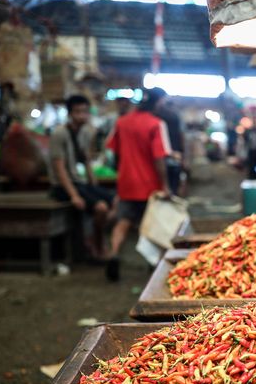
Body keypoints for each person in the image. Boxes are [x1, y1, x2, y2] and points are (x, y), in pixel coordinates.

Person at [105, 87, 172, 281]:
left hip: (126, 182)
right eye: (163, 102)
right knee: (151, 226)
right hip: (149, 185)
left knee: (123, 222)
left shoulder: (122, 122)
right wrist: (165, 185)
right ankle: (153, 266)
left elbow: (114, 152)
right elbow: (159, 158)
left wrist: (123, 172)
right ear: (157, 102)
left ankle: (114, 254)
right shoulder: (156, 124)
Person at [48, 94, 114, 260]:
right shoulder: (59, 134)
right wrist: (74, 196)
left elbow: (86, 161)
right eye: (78, 112)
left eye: (85, 111)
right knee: (101, 208)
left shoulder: (84, 132)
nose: (82, 115)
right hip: (62, 186)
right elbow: (59, 168)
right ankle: (95, 245)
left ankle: (94, 239)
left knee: (115, 199)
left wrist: (94, 186)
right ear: (70, 113)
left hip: (80, 183)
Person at [155, 94, 186, 196]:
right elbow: (181, 136)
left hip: (161, 155)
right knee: (173, 184)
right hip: (173, 154)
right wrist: (182, 154)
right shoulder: (175, 117)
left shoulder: (156, 116)